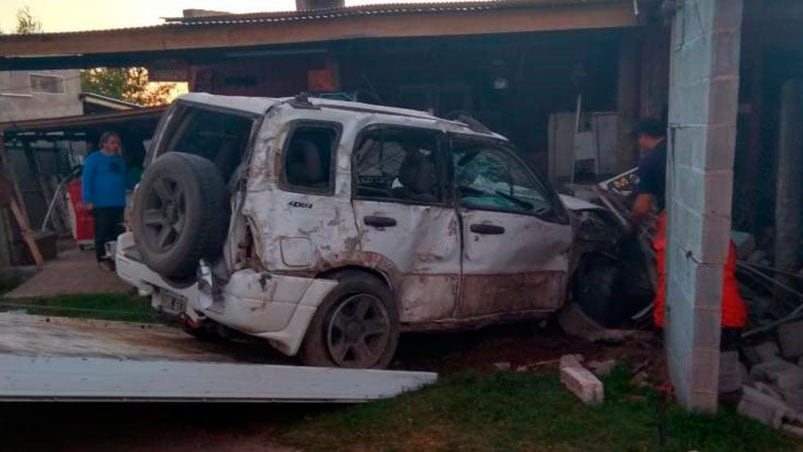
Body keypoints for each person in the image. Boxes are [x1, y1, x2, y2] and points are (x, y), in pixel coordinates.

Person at [630, 118, 746, 394]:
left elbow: (642, 206)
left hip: (676, 219)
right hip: (713, 217)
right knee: (719, 275)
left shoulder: (650, 161)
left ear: (643, 136)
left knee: (669, 279)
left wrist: (630, 228)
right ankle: (728, 344)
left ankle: (669, 341)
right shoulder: (686, 147)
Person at [82, 131, 135, 271]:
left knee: (117, 232)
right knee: (102, 233)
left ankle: (115, 258)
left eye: (117, 143)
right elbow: (86, 180)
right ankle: (102, 259)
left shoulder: (119, 160)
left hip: (118, 202)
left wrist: (137, 185)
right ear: (104, 143)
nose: (116, 145)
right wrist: (88, 199)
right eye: (113, 142)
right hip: (101, 203)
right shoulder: (93, 159)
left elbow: (126, 179)